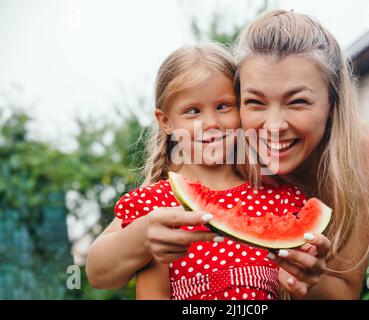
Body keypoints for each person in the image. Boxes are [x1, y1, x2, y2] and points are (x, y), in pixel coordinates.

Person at [86, 43, 326, 300]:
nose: (211, 123)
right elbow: (98, 273)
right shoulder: (154, 205)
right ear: (166, 121)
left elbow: (306, 283)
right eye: (193, 111)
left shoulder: (280, 199)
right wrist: (141, 237)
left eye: (223, 106)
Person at [232, 9, 369, 299]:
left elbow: (347, 292)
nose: (275, 126)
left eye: (298, 102)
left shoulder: (365, 154)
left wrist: (308, 278)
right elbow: (118, 258)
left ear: (332, 102)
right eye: (255, 102)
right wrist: (142, 237)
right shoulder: (221, 144)